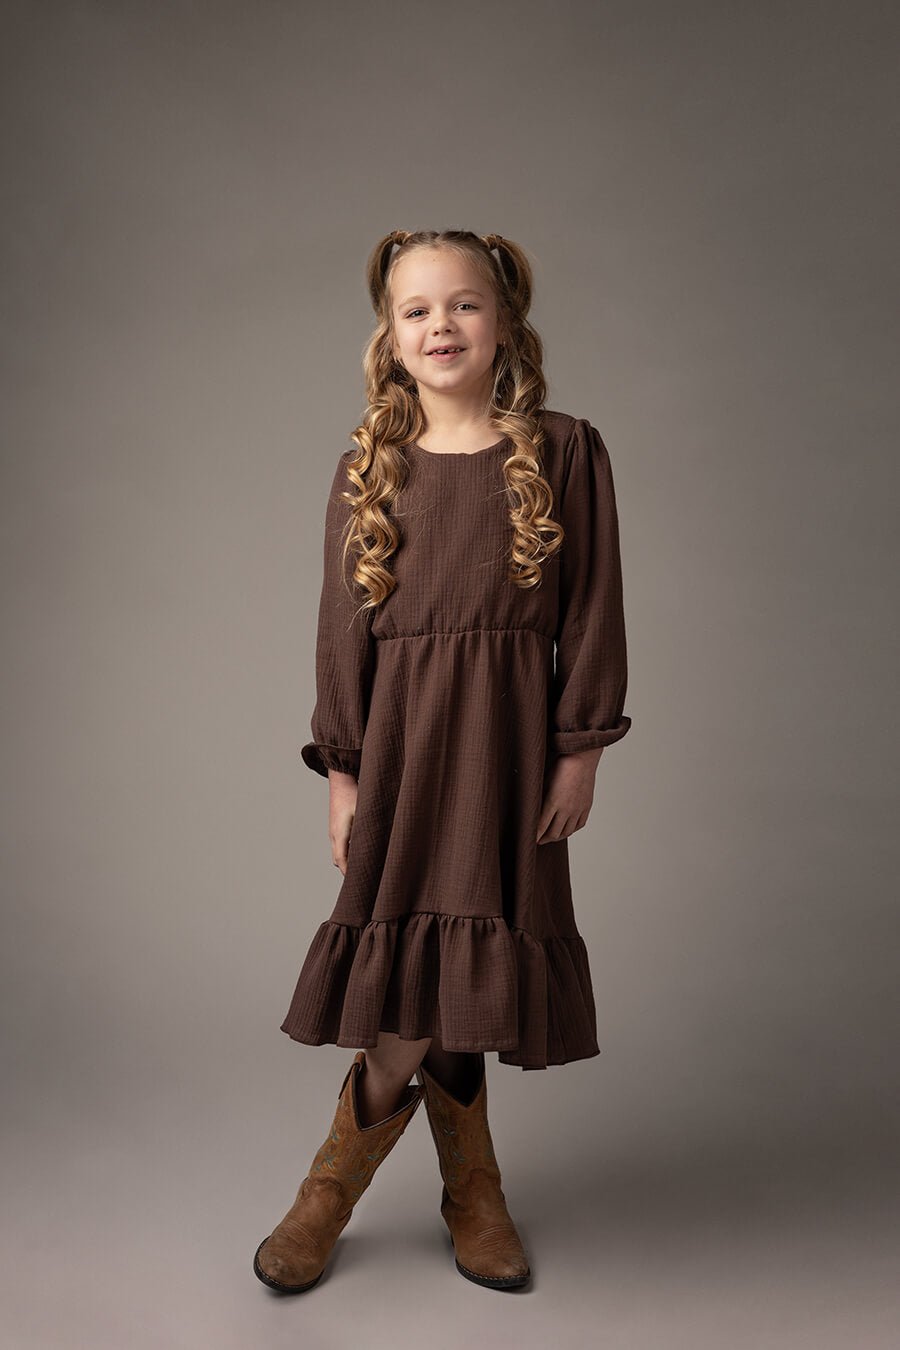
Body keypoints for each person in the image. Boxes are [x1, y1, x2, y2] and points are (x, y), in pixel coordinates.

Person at [253, 228, 632, 1295]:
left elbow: (594, 610)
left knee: (466, 962)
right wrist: (345, 774)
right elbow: (342, 637)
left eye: (463, 305)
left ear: (504, 319)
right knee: (420, 970)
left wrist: (580, 750)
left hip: (511, 748)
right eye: (417, 310)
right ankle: (362, 1188)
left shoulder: (564, 451)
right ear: (390, 335)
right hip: (405, 752)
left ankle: (463, 1191)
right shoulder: (369, 468)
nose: (441, 326)